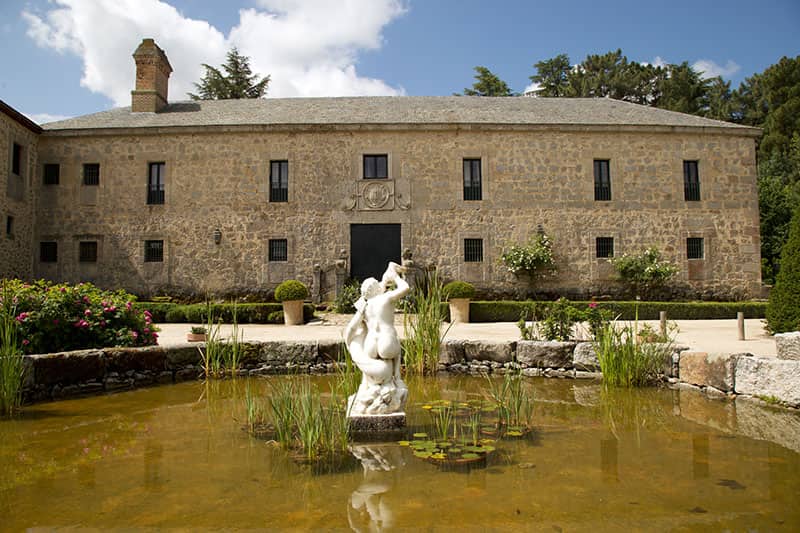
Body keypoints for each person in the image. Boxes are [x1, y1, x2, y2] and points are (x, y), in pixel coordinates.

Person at [344, 262, 409, 415]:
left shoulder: (365, 306)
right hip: (386, 340)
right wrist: (395, 277)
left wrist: (348, 342)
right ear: (376, 289)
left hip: (370, 344)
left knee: (369, 371)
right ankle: (397, 378)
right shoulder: (386, 298)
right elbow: (405, 288)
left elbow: (351, 328)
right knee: (397, 347)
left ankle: (366, 387)